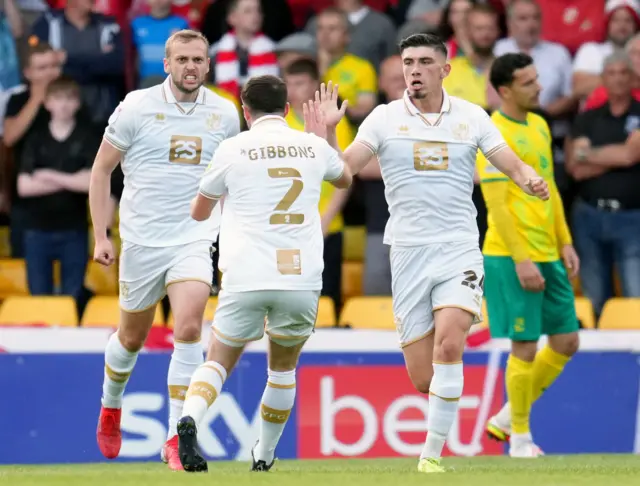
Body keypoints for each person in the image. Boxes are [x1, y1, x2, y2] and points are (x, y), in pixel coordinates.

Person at [313, 33, 550, 473]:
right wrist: (328, 133)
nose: (414, 70)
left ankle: (431, 455)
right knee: (425, 376)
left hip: (458, 247)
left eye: (424, 61)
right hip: (407, 253)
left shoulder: (471, 116)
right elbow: (342, 174)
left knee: (450, 344)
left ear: (445, 69)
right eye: (408, 62)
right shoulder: (383, 119)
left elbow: (508, 160)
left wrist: (528, 179)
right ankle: (439, 421)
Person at [176, 75, 352, 473]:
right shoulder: (311, 146)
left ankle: (189, 420)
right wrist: (325, 136)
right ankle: (265, 456)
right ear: (287, 109)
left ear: (245, 111)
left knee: (218, 360)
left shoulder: (232, 148)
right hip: (300, 274)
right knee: (283, 368)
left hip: (245, 271)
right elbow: (346, 179)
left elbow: (198, 212)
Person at [89, 29, 240, 471]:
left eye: (198, 59)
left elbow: (230, 184)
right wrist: (102, 234)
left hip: (194, 238)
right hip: (140, 241)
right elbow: (101, 171)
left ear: (208, 65)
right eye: (183, 59)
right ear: (167, 65)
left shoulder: (225, 114)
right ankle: (111, 404)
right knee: (131, 339)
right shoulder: (137, 106)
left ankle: (176, 436)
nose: (191, 67)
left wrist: (230, 239)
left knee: (190, 328)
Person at [476, 53, 580, 458]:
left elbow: (550, 187)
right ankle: (518, 439)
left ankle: (505, 416)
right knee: (524, 344)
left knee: (567, 341)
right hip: (510, 254)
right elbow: (497, 207)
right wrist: (521, 260)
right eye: (528, 82)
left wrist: (565, 241)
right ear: (505, 91)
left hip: (548, 251)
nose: (539, 87)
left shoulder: (538, 124)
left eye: (537, 78)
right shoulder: (493, 133)